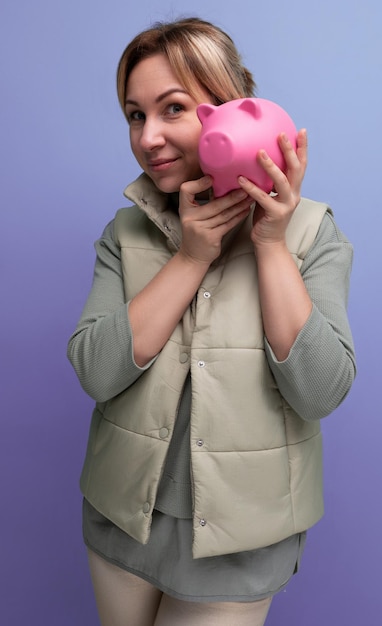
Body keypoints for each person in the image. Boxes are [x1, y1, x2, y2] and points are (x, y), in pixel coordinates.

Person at [67, 16, 356, 626]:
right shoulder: (127, 232)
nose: (148, 138)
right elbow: (96, 370)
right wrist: (191, 257)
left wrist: (272, 244)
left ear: (229, 110)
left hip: (239, 543)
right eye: (135, 115)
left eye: (172, 108)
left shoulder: (312, 234)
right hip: (122, 525)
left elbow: (321, 389)